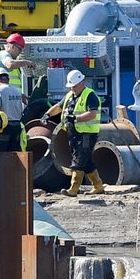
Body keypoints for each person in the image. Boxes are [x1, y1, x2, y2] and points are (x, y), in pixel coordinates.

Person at [42, 69, 104, 197]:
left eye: (74, 86)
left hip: (86, 134)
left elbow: (92, 114)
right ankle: (98, 186)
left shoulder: (90, 95)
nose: (73, 88)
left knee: (79, 160)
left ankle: (73, 188)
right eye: (71, 86)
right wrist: (47, 114)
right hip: (73, 133)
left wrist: (76, 118)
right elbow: (58, 107)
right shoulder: (70, 95)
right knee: (86, 162)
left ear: (82, 82)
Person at [0, 70, 26, 152]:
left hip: (4, 126)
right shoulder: (16, 91)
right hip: (17, 125)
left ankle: (1, 165)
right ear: (8, 79)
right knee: (14, 152)